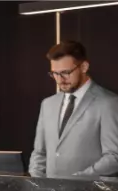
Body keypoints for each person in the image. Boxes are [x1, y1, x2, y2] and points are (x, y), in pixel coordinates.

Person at [28, 40, 118, 178]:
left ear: (84, 67)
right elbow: (39, 153)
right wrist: (36, 184)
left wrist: (79, 180)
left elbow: (114, 156)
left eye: (65, 72)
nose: (59, 80)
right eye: (54, 74)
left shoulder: (108, 102)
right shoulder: (47, 104)